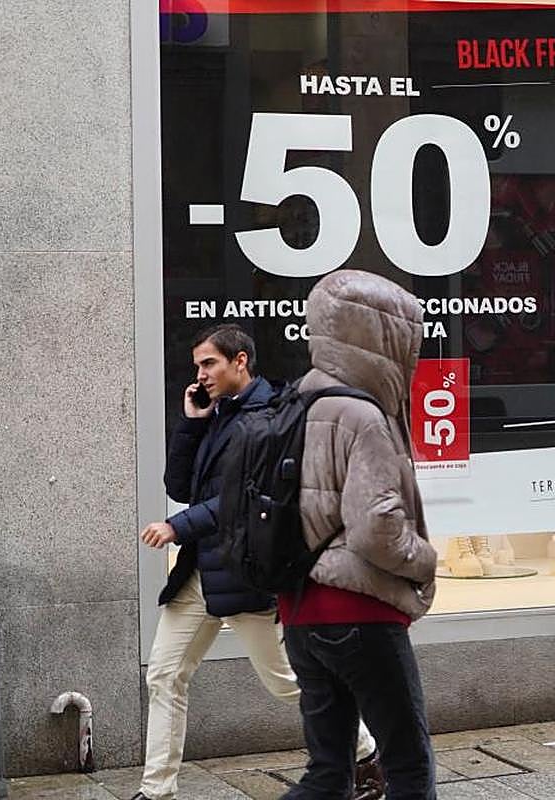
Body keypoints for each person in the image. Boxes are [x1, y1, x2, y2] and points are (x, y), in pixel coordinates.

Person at [134, 324, 383, 800]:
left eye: (209, 364)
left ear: (240, 361)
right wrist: (192, 422)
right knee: (164, 675)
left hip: (244, 571)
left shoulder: (271, 414)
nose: (201, 375)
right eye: (197, 367)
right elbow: (181, 487)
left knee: (287, 682)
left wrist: (177, 527)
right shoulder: (218, 414)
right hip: (200, 573)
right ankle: (157, 791)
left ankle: (366, 756)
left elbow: (242, 497)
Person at [278, 270, 438, 800]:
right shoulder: (363, 415)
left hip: (301, 615)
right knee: (408, 767)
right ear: (381, 339)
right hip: (362, 616)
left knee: (328, 774)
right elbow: (376, 530)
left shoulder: (293, 401)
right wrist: (424, 560)